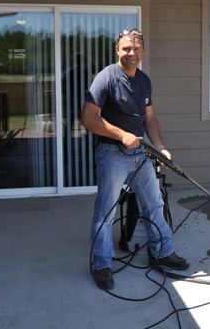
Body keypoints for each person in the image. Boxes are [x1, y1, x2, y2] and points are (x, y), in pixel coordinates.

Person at [81, 29, 189, 290]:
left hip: (139, 153)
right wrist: (121, 134)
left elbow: (149, 119)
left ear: (143, 51)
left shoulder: (143, 81)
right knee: (106, 212)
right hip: (111, 153)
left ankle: (162, 252)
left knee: (154, 202)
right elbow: (88, 117)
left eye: (137, 48)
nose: (132, 53)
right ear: (117, 50)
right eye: (127, 48)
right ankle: (102, 263)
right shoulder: (106, 77)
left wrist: (160, 148)